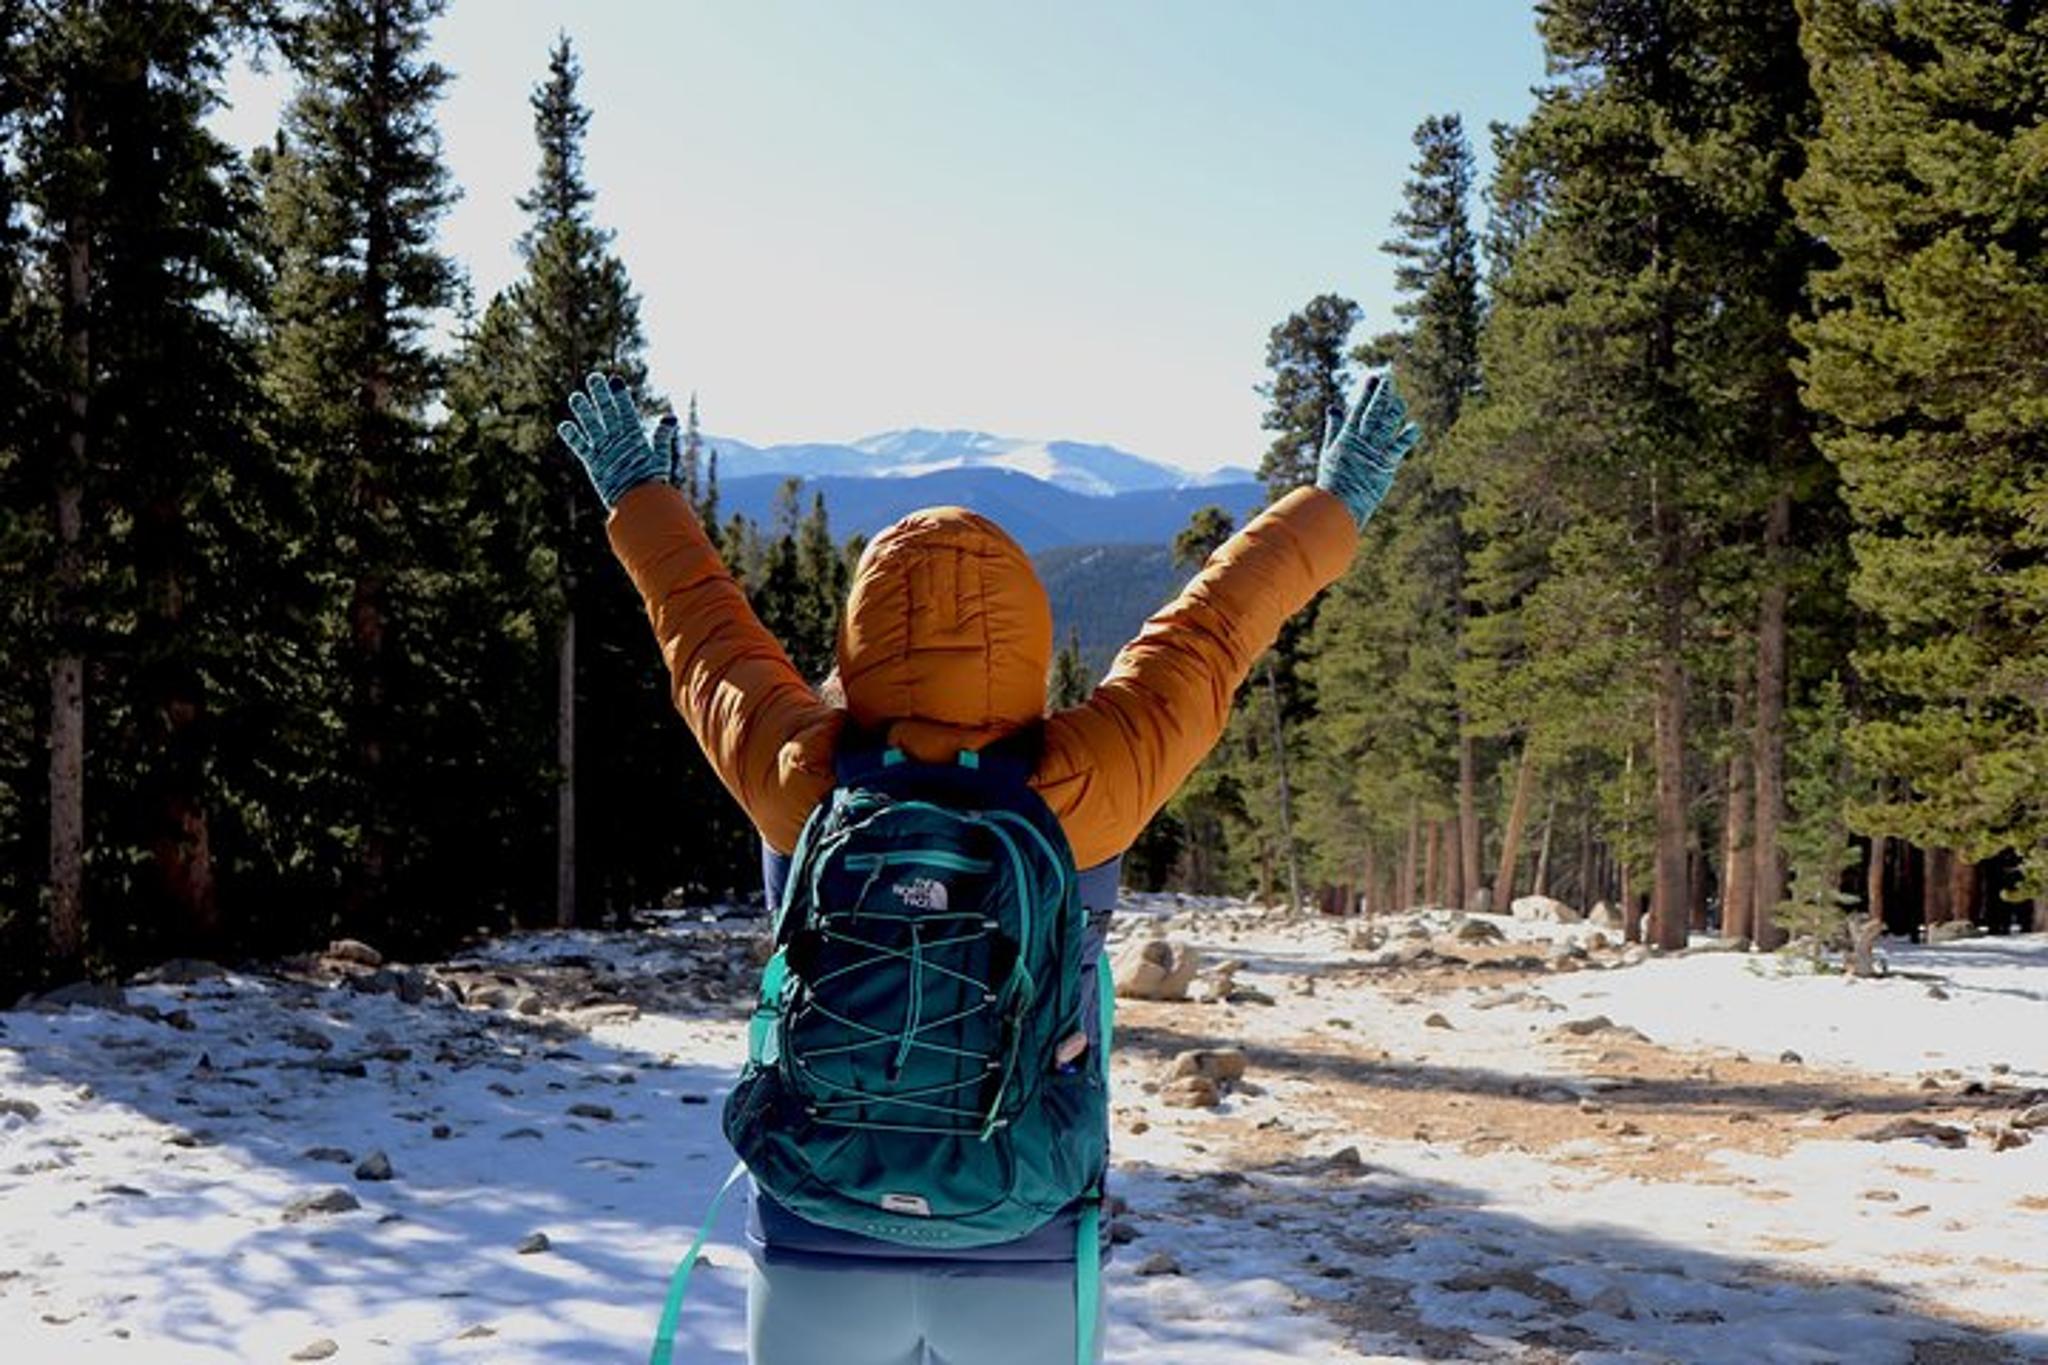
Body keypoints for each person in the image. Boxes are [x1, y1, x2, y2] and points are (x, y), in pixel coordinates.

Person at [557, 370, 1417, 1364]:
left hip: (815, 1219)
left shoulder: (799, 770)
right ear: (1024, 642)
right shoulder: (1088, 779)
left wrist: (640, 496)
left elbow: (703, 631)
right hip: (1024, 1223)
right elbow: (1213, 627)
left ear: (860, 640)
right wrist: (1332, 502)